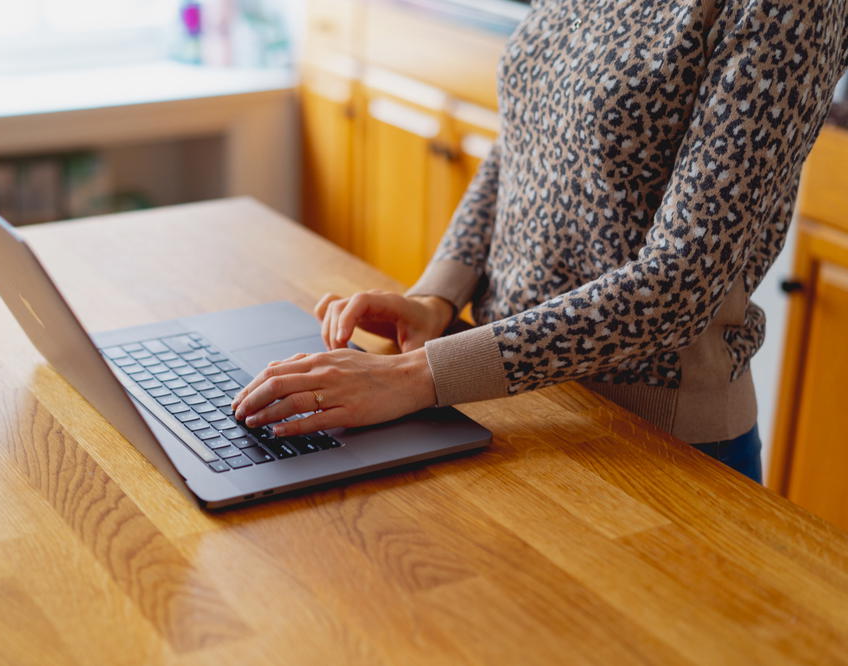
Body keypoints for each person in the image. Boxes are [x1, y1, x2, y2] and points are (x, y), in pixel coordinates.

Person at [233, 0, 848, 482]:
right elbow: (525, 138)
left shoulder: (788, 7)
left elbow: (679, 283)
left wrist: (413, 377)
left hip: (652, 442)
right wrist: (436, 297)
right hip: (506, 398)